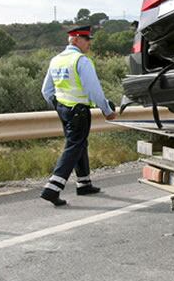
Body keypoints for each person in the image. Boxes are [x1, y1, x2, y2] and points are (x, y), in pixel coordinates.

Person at [40, 25, 117, 206]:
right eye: (86, 39)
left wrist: (59, 106)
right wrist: (107, 110)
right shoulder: (81, 61)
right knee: (75, 145)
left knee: (79, 143)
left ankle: (84, 183)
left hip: (64, 109)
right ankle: (52, 188)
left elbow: (46, 90)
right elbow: (94, 90)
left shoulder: (56, 60)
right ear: (75, 39)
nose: (89, 42)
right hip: (79, 110)